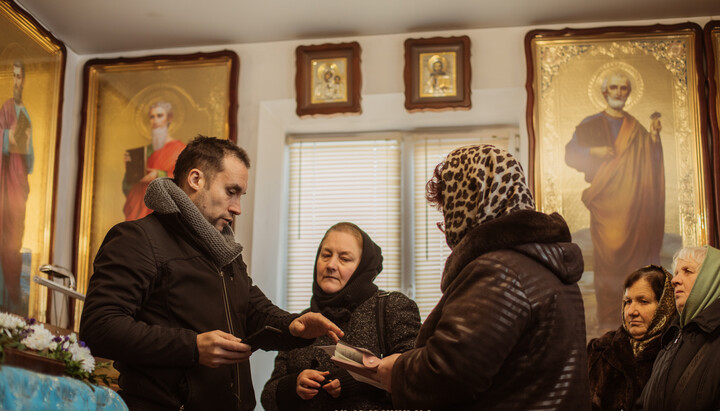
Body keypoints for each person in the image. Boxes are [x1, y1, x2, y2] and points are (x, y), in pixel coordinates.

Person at [80, 136, 344, 410]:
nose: (237, 208)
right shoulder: (138, 238)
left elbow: (253, 311)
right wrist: (192, 347)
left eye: (240, 195)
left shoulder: (224, 248)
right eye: (232, 191)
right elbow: (99, 327)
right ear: (196, 179)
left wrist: (293, 326)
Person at [377, 144, 591, 410]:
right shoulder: (544, 262)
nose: (447, 225)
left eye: (448, 209)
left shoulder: (499, 270)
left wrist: (397, 371)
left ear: (469, 201)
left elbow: (451, 371)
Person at [261, 222, 421, 411]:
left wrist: (358, 380)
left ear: (363, 267)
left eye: (344, 259)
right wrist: (293, 386)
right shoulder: (302, 322)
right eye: (326, 255)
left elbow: (416, 376)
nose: (331, 265)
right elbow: (268, 396)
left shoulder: (391, 306)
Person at [565, 71, 664, 332]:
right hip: (605, 206)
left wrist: (654, 139)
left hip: (633, 210)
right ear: (605, 92)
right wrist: (592, 151)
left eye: (624, 88)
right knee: (607, 262)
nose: (619, 92)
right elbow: (570, 155)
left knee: (634, 263)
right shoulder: (591, 123)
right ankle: (609, 318)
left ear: (629, 92)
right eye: (614, 88)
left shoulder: (636, 128)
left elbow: (649, 164)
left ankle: (637, 317)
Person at [638, 246, 720, 410]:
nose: (674, 281)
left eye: (687, 271)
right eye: (675, 273)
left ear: (710, 279)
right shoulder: (672, 338)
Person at [587, 265, 676, 411]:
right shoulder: (600, 350)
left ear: (665, 306)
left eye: (643, 301)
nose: (631, 312)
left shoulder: (675, 352)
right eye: (628, 301)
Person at [0, 60, 33, 312]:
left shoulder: (26, 114)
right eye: (13, 76)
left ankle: (12, 297)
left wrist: (27, 142)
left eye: (20, 77)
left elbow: (30, 162)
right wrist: (5, 137)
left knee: (15, 237)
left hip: (19, 180)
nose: (17, 81)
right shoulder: (6, 108)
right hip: (4, 180)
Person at [122, 101, 186, 221]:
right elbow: (128, 187)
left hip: (161, 209)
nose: (155, 120)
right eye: (152, 116)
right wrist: (130, 169)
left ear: (169, 118)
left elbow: (184, 181)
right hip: (138, 209)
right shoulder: (146, 151)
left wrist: (158, 175)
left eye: (159, 115)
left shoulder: (180, 149)